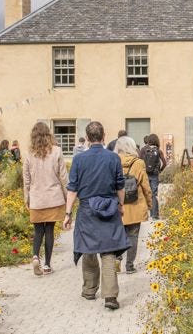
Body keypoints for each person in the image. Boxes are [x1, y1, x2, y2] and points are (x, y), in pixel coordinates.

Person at [64, 121, 130, 310]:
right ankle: (110, 296)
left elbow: (72, 188)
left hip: (87, 209)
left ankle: (90, 290)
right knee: (108, 251)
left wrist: (68, 213)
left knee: (89, 249)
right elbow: (120, 186)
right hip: (109, 208)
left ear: (87, 137)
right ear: (103, 136)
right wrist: (121, 205)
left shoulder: (79, 160)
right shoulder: (113, 158)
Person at [23, 122, 67, 276]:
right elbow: (64, 177)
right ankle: (47, 265)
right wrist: (68, 198)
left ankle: (35, 256)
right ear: (48, 134)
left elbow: (26, 180)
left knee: (38, 231)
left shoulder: (29, 154)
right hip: (53, 197)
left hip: (36, 198)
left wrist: (26, 198)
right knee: (49, 230)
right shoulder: (57, 151)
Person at [114, 136, 152, 274]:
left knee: (119, 234)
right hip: (135, 203)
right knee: (133, 235)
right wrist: (149, 203)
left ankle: (117, 259)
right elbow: (145, 185)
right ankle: (129, 266)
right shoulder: (139, 163)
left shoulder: (113, 161)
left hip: (119, 204)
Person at [139, 133, 167, 220]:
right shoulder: (158, 151)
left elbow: (139, 162)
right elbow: (164, 163)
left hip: (145, 175)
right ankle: (154, 215)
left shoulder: (143, 150)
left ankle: (144, 214)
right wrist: (160, 171)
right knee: (154, 194)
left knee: (145, 193)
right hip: (155, 175)